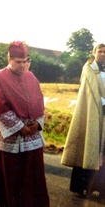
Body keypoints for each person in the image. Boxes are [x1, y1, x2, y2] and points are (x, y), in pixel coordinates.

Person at [0, 41, 50, 207]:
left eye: (25, 61)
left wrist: (37, 122)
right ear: (9, 58)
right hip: (11, 137)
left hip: (32, 136)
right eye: (18, 62)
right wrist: (21, 127)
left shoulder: (31, 76)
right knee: (11, 180)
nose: (22, 66)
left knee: (33, 179)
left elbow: (39, 100)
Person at [61, 43, 105, 197]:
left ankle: (99, 187)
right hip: (91, 114)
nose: (102, 54)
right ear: (94, 53)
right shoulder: (89, 69)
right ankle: (81, 186)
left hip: (104, 116)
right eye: (99, 51)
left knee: (102, 151)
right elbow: (91, 92)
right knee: (88, 146)